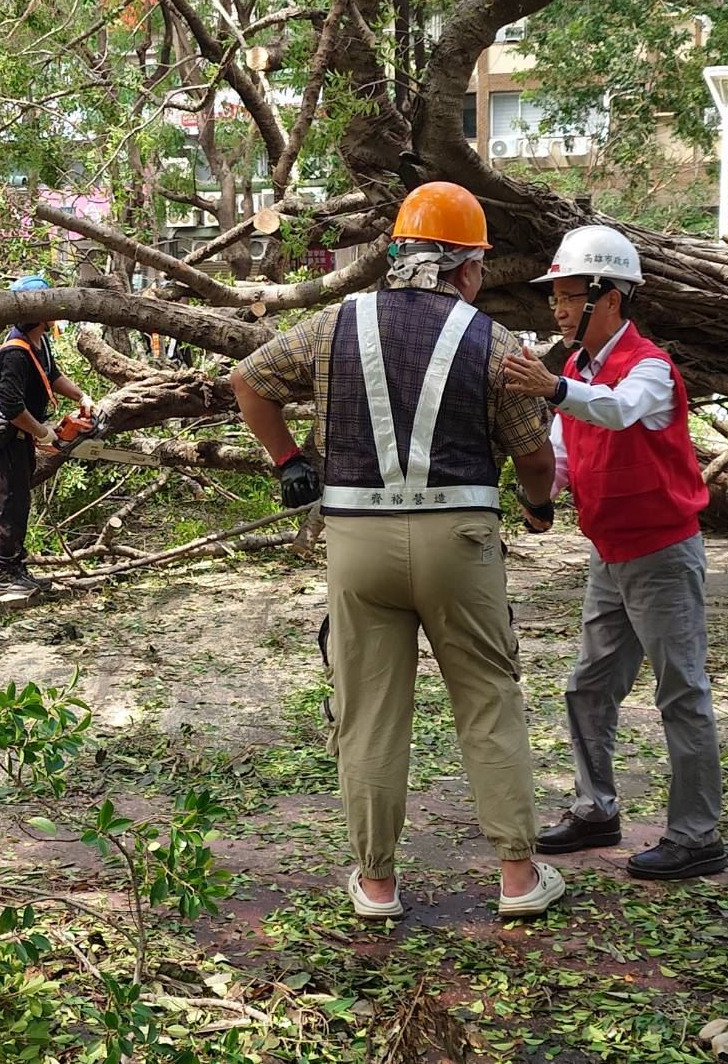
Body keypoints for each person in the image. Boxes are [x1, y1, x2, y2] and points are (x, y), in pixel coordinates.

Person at [230, 182, 565, 918]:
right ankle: (516, 878)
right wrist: (537, 507)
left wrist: (290, 462)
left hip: (356, 543)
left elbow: (247, 381)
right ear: (465, 268)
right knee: (486, 702)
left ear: (397, 256)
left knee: (370, 712)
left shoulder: (329, 327)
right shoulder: (494, 341)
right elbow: (535, 457)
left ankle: (376, 883)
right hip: (459, 543)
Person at [502, 225, 724, 880]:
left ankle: (695, 836)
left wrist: (551, 391)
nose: (559, 309)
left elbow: (619, 412)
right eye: (556, 300)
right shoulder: (574, 370)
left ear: (609, 297)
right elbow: (570, 449)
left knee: (680, 690)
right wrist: (541, 496)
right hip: (610, 555)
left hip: (660, 554)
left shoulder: (648, 368)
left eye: (569, 297)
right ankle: (595, 808)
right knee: (588, 687)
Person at [0, 275, 93, 595]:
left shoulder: (40, 341)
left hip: (21, 436)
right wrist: (44, 433)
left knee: (20, 501)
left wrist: (81, 397)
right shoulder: (14, 352)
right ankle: (2, 573)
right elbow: (12, 407)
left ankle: (16, 567)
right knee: (11, 503)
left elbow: (51, 375)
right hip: (5, 437)